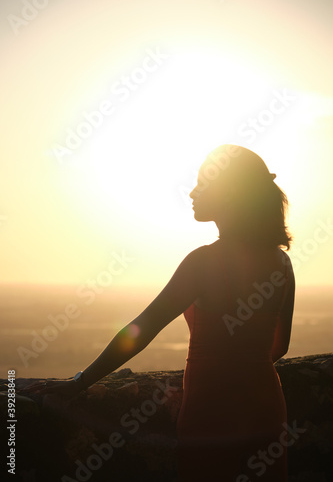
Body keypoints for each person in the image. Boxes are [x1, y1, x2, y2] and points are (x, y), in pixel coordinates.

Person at [25, 145, 295, 481]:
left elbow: (143, 328)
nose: (193, 192)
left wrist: (81, 382)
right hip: (267, 408)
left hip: (211, 411)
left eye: (204, 183)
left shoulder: (205, 262)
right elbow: (279, 347)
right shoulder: (282, 263)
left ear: (231, 194)